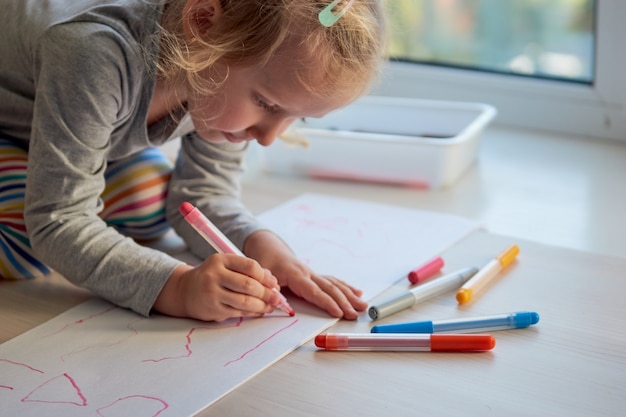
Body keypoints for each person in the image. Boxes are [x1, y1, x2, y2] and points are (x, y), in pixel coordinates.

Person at [0, 0, 387, 322]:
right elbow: (58, 219)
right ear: (203, 23)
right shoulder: (94, 53)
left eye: (295, 117)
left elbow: (202, 196)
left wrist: (268, 252)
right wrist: (178, 287)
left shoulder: (216, 58)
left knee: (149, 198)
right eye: (267, 104)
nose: (269, 138)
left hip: (54, 130)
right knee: (26, 244)